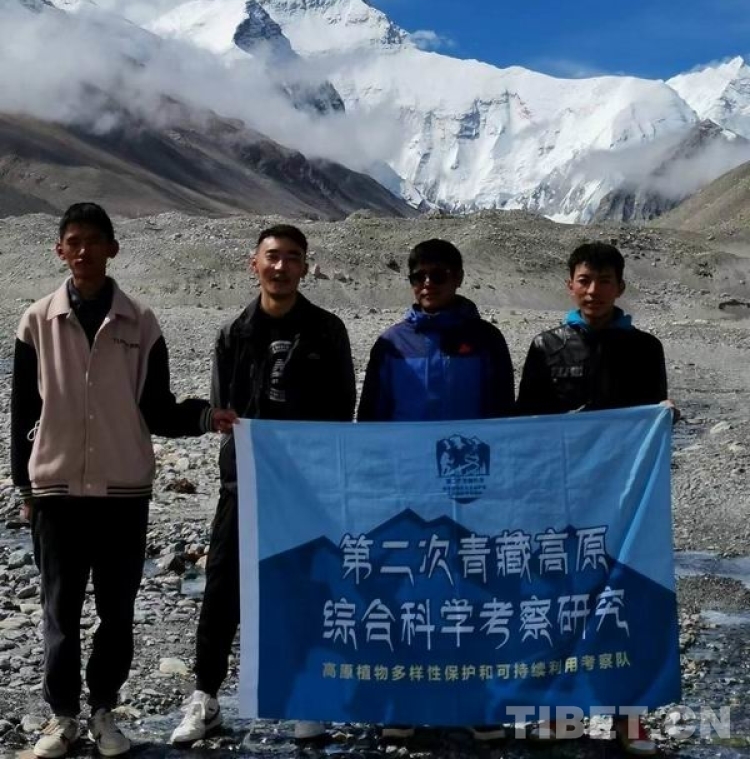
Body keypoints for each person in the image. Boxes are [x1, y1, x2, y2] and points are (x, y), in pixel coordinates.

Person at [10, 203, 235, 759]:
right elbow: (22, 414)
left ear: (113, 248)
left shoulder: (141, 322)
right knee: (60, 612)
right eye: (73, 241)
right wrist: (25, 488)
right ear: (60, 250)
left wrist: (206, 416)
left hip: (122, 494)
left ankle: (104, 710)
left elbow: (155, 408)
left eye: (94, 240)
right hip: (57, 493)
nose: (83, 250)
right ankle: (63, 716)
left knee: (117, 612)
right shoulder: (36, 321)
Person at [170, 224, 356, 747]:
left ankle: (306, 696)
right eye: (272, 256)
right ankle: (206, 697)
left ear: (305, 267)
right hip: (244, 482)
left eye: (292, 257)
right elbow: (223, 408)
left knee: (306, 586)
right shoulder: (234, 333)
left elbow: (343, 408)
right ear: (254, 264)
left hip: (307, 486)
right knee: (222, 587)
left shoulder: (327, 331)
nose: (281, 266)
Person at [516, 241, 677, 755]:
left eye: (604, 281)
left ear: (620, 287)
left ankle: (630, 716)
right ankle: (562, 713)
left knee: (626, 601)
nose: (594, 291)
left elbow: (651, 418)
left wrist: (664, 415)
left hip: (624, 500)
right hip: (562, 501)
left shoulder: (645, 348)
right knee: (562, 604)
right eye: (585, 280)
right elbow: (526, 425)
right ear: (570, 285)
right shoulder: (546, 346)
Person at [358, 238, 515, 742]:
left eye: (439, 275)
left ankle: (477, 700)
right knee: (407, 594)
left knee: (473, 592)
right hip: (407, 490)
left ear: (458, 278)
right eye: (419, 276)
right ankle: (403, 701)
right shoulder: (391, 344)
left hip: (471, 488)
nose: (428, 284)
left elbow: (505, 417)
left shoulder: (487, 340)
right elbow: (371, 419)